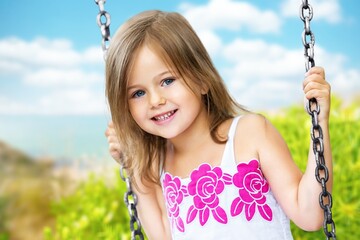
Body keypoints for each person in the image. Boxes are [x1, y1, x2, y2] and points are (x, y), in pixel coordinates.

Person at [104, 10, 332, 240]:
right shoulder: (158, 165)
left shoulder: (250, 134)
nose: (155, 101)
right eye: (138, 93)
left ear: (202, 79)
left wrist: (319, 121)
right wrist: (132, 166)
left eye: (167, 81)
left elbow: (310, 215)